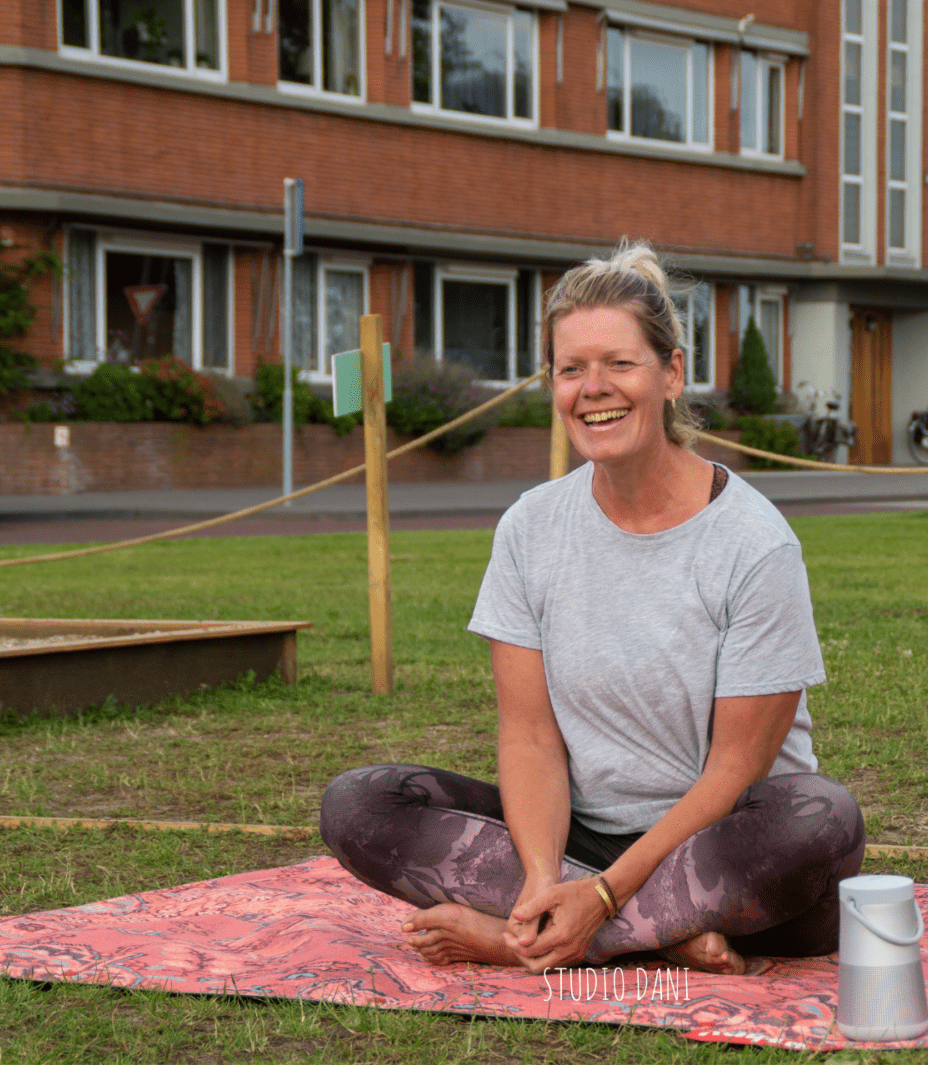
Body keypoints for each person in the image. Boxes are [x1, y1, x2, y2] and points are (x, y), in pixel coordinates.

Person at [319, 244, 864, 976]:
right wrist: (546, 879)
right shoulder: (529, 527)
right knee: (359, 805)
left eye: (619, 364)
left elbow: (734, 770)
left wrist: (605, 897)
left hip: (724, 838)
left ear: (671, 373)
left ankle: (534, 940)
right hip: (585, 839)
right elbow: (532, 738)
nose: (593, 389)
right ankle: (644, 932)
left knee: (824, 821)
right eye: (571, 368)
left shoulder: (756, 544)